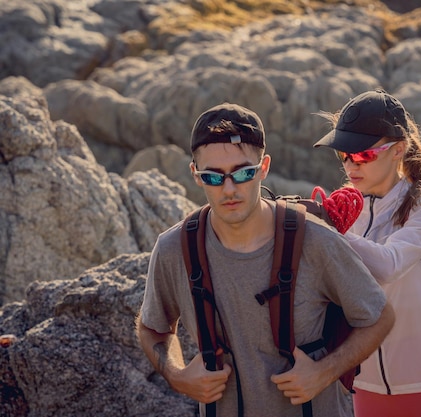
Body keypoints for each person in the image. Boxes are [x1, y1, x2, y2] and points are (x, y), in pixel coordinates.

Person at [136, 102, 395, 417]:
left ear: (264, 167)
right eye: (213, 177)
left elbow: (380, 316)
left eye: (243, 173)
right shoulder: (174, 249)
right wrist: (177, 376)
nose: (229, 188)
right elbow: (153, 329)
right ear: (195, 175)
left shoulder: (315, 241)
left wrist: (324, 373)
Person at [314, 89, 421, 417]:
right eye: (343, 155)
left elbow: (388, 265)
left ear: (398, 150)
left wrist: (326, 231)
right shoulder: (345, 210)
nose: (350, 164)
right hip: (367, 393)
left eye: (361, 155)